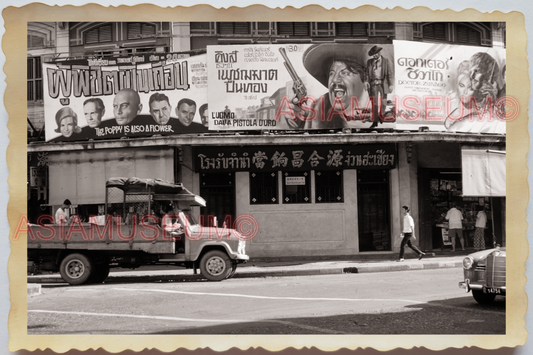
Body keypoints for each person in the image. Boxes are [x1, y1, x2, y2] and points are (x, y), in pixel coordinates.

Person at [284, 44, 372, 130]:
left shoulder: (382, 111)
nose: (334, 80)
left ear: (365, 80)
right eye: (332, 73)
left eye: (345, 73)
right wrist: (300, 125)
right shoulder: (318, 107)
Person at [364, 45, 394, 128]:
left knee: (383, 102)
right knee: (374, 103)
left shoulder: (386, 61)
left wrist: (391, 84)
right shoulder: (369, 62)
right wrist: (366, 81)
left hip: (383, 84)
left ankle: (381, 116)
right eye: (373, 55)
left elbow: (389, 74)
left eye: (375, 54)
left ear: (379, 53)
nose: (374, 56)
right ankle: (375, 121)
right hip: (373, 84)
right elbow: (366, 73)